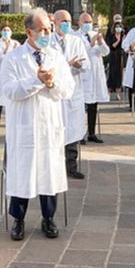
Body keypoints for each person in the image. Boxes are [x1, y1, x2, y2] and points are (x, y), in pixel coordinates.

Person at [1, 8, 75, 241]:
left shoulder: (55, 56)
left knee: (48, 172)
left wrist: (51, 83)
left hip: (48, 125)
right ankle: (18, 220)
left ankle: (48, 218)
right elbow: (11, 90)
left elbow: (68, 88)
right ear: (29, 31)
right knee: (23, 172)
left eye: (48, 29)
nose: (46, 33)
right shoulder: (13, 58)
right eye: (41, 29)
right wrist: (37, 80)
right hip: (24, 126)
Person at [51, 10, 89, 179]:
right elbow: (49, 68)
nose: (66, 24)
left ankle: (71, 166)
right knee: (56, 130)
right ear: (55, 22)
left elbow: (86, 64)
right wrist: (67, 65)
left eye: (68, 21)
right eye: (63, 21)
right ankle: (55, 167)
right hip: (56, 93)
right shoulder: (48, 43)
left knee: (73, 130)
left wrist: (78, 66)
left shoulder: (76, 41)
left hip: (73, 91)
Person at [76, 13, 109, 144]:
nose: (88, 24)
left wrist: (100, 43)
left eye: (89, 21)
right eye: (85, 21)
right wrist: (91, 43)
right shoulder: (74, 36)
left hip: (95, 74)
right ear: (79, 23)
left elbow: (106, 52)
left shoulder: (94, 33)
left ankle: (91, 133)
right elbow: (79, 53)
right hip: (83, 75)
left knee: (93, 105)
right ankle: (79, 134)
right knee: (80, 106)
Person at [0, 25, 19, 128]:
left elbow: (18, 59)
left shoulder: (15, 43)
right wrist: (6, 50)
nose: (6, 32)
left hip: (11, 75)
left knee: (10, 100)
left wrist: (14, 50)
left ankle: (10, 121)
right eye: (4, 30)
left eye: (8, 30)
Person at [106, 21, 126, 101]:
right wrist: (118, 40)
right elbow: (112, 46)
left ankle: (118, 93)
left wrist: (123, 39)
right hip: (113, 55)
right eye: (116, 27)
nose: (118, 28)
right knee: (112, 73)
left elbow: (125, 46)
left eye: (119, 27)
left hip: (120, 56)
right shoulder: (111, 36)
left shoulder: (123, 36)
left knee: (119, 74)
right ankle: (109, 92)